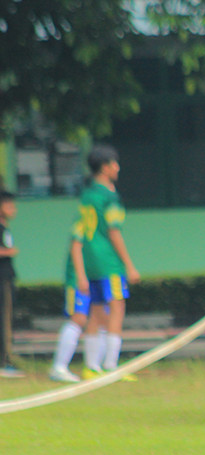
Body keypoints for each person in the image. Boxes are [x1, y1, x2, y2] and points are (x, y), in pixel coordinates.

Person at [50, 145, 140, 383]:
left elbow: (79, 232)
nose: (118, 168)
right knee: (116, 307)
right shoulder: (110, 197)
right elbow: (114, 233)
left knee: (98, 311)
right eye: (114, 164)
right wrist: (129, 265)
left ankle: (92, 366)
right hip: (106, 262)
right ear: (105, 167)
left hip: (87, 261)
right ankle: (111, 365)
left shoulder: (87, 195)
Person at [0, 191, 24, 378]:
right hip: (2, 279)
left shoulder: (5, 228)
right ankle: (4, 361)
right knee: (3, 319)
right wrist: (8, 252)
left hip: (7, 277)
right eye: (9, 206)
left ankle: (7, 357)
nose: (12, 210)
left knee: (7, 318)